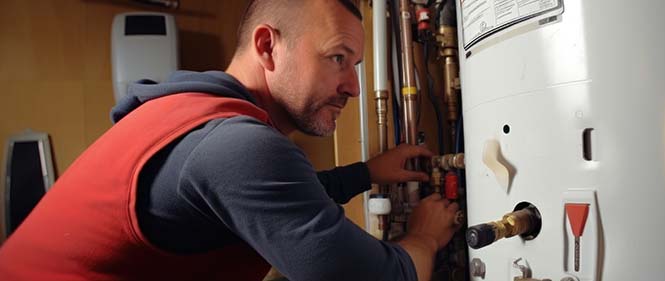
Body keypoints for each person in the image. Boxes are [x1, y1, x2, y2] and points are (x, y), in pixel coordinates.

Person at [0, 0, 459, 280]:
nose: (353, 88)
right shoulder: (235, 145)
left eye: (354, 66)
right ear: (267, 47)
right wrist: (424, 237)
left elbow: (278, 199)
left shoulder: (189, 110)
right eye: (337, 58)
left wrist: (366, 173)